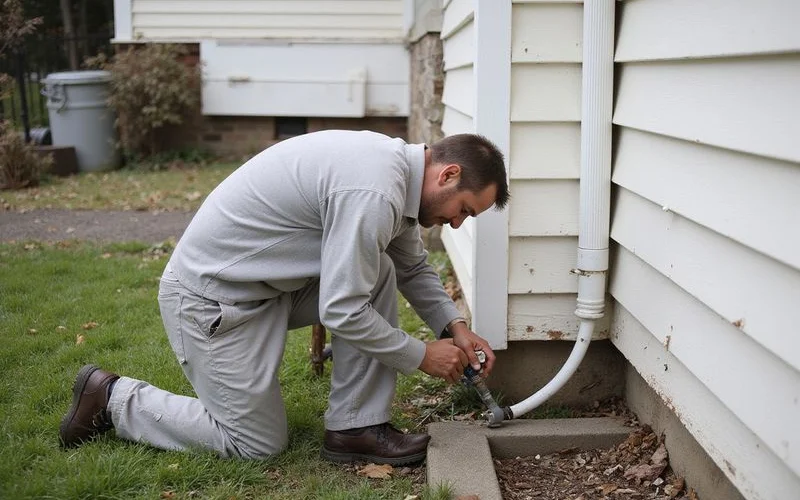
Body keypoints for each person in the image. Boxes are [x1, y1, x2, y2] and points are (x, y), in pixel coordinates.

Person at [59, 130, 510, 465]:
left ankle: (355, 427)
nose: (456, 225)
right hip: (211, 304)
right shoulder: (373, 190)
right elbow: (342, 309)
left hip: (265, 292)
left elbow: (410, 267)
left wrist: (457, 328)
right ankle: (112, 400)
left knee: (382, 272)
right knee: (254, 444)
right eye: (464, 210)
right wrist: (420, 355)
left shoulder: (394, 175)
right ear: (448, 175)